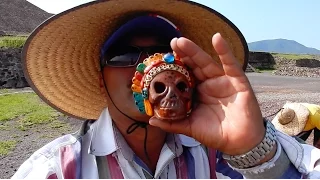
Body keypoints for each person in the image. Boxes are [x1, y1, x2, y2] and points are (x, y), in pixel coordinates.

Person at [12, 0, 320, 179]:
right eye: (124, 55)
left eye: (165, 53)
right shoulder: (58, 170)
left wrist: (252, 149)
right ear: (99, 78)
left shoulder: (219, 155)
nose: (148, 67)